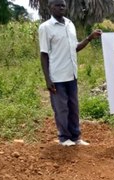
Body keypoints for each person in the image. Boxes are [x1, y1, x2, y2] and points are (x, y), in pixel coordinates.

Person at [38, 0, 102, 146]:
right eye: (57, 5)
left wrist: (89, 38)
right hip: (57, 76)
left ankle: (76, 137)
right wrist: (48, 79)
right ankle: (64, 138)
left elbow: (75, 48)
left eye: (63, 5)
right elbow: (44, 54)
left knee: (74, 107)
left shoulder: (70, 24)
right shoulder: (46, 27)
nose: (61, 7)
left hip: (72, 74)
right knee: (61, 108)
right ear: (50, 7)